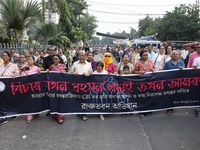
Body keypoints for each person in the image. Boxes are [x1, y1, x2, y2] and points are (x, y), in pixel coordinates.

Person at [70, 51, 93, 121]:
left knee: (84, 99)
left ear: (86, 57)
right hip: (76, 85)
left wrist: (88, 74)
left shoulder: (88, 65)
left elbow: (91, 74)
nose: (82, 57)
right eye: (80, 55)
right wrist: (73, 73)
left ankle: (84, 113)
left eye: (83, 55)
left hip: (85, 85)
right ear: (78, 56)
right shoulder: (75, 64)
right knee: (77, 98)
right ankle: (79, 111)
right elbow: (70, 73)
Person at [133, 50, 155, 117]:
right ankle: (142, 110)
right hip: (142, 83)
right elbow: (133, 71)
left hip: (150, 82)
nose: (146, 56)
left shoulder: (150, 62)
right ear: (141, 56)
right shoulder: (138, 63)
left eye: (147, 55)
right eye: (144, 55)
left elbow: (154, 68)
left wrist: (153, 70)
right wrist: (139, 72)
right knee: (142, 96)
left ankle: (148, 108)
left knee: (149, 95)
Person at [0, 51, 19, 126]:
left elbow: (18, 74)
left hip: (10, 86)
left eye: (5, 55)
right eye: (2, 55)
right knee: (2, 101)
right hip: (1, 86)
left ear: (9, 57)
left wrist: (15, 74)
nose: (3, 57)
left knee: (10, 100)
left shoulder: (13, 65)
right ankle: (3, 116)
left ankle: (13, 113)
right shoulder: (1, 66)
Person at [163, 50, 185, 116]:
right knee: (170, 95)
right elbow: (164, 73)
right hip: (170, 82)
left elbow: (186, 71)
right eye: (174, 54)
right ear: (171, 55)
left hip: (178, 82)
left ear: (178, 55)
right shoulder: (167, 63)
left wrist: (182, 69)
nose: (175, 55)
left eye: (176, 54)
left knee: (176, 94)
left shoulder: (181, 62)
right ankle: (169, 109)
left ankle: (175, 105)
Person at [20, 55, 41, 123]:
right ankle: (29, 115)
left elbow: (40, 77)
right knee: (28, 100)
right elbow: (20, 76)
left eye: (31, 60)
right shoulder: (25, 68)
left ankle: (35, 112)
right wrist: (22, 74)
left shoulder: (37, 68)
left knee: (35, 100)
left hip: (35, 87)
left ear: (34, 61)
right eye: (28, 60)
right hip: (27, 87)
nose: (29, 61)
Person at [48, 54, 66, 124]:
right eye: (54, 59)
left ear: (59, 59)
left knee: (60, 99)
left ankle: (60, 115)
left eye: (56, 59)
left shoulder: (63, 66)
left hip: (61, 86)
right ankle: (54, 113)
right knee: (53, 99)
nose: (55, 60)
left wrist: (64, 71)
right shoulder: (51, 67)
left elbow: (67, 73)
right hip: (52, 86)